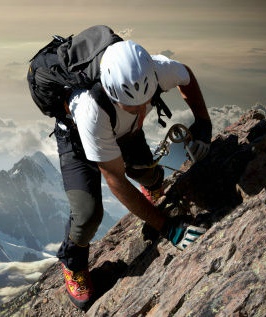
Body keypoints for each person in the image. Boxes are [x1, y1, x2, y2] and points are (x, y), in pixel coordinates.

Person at [53, 40, 212, 309]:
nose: (141, 113)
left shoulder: (155, 69)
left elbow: (186, 75)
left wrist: (204, 123)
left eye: (145, 103)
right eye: (131, 106)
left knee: (152, 177)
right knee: (88, 214)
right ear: (112, 94)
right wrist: (168, 227)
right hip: (78, 142)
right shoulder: (92, 110)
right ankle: (73, 264)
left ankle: (150, 187)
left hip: (125, 132)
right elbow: (115, 179)